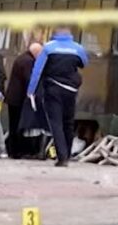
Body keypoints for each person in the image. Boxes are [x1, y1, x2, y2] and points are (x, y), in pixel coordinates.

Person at [27, 28, 89, 167]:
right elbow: (84, 63)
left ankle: (62, 157)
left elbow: (37, 70)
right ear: (70, 36)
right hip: (71, 90)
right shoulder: (77, 48)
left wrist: (31, 90)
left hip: (53, 89)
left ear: (55, 35)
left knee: (56, 123)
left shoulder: (48, 47)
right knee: (68, 123)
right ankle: (67, 153)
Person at [5, 42, 43, 158]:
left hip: (14, 98)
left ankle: (13, 151)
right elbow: (29, 79)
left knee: (13, 125)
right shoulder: (28, 61)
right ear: (36, 52)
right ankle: (17, 151)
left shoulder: (22, 58)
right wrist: (33, 93)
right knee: (18, 125)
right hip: (19, 99)